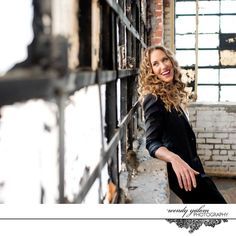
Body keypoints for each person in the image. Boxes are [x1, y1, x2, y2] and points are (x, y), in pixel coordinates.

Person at [138, 45, 227, 204]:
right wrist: (174, 159)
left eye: (165, 59)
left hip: (193, 169)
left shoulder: (170, 94)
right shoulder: (153, 98)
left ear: (171, 61)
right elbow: (152, 142)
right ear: (150, 71)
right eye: (156, 63)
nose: (163, 66)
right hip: (184, 175)